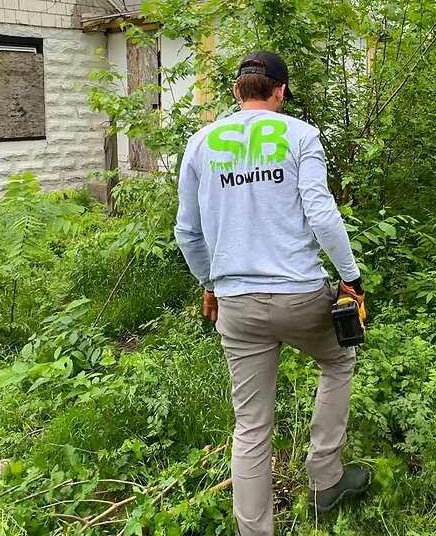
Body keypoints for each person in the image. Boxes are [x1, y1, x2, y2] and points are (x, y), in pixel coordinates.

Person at [174, 50, 371, 536]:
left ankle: (254, 531)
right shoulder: (301, 136)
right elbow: (322, 214)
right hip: (301, 297)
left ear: (237, 90)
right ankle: (325, 480)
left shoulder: (200, 144)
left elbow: (187, 232)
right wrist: (351, 278)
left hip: (237, 305)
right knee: (338, 360)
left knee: (251, 426)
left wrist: (210, 284)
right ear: (280, 91)